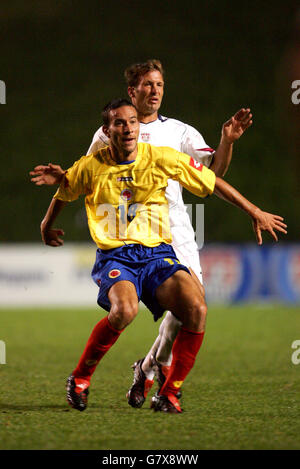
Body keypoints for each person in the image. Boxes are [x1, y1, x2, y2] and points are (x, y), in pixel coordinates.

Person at [33, 99, 287, 414]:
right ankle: (81, 377)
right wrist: (46, 225)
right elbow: (66, 189)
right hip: (117, 257)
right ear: (107, 129)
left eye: (132, 122)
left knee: (196, 308)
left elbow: (212, 180)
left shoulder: (161, 157)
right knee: (125, 310)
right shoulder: (91, 165)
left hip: (157, 255)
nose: (127, 128)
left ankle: (169, 393)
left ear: (139, 127)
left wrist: (254, 210)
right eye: (120, 123)